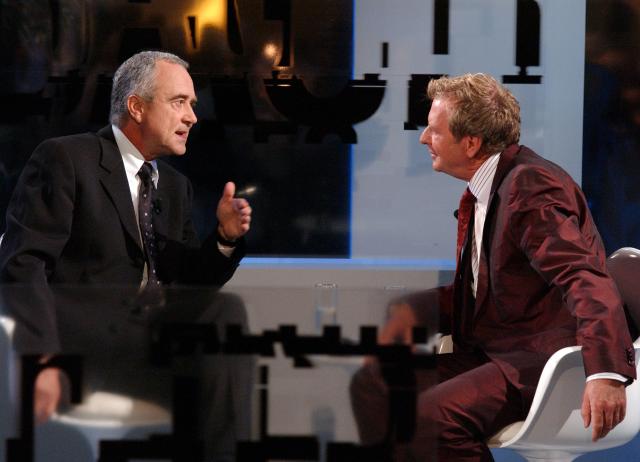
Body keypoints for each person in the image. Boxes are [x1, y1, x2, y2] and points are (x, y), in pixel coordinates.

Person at [350, 73, 637, 461]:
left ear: (470, 143)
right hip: (497, 349)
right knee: (374, 384)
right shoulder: (491, 188)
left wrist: (606, 372)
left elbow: (583, 277)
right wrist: (413, 311)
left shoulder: (531, 187)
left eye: (434, 130)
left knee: (434, 419)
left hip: (545, 360)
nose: (423, 138)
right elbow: (491, 291)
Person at [0, 50, 252, 460]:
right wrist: (38, 356)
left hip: (151, 350)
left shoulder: (175, 187)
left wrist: (224, 238)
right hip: (82, 350)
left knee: (225, 314)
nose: (192, 117)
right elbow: (24, 263)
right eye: (179, 102)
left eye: (192, 105)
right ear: (136, 106)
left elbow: (191, 286)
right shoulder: (67, 159)